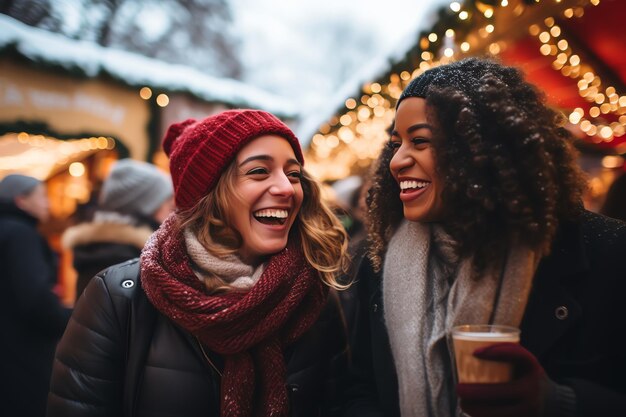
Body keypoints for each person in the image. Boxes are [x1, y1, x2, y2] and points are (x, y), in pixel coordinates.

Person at [341, 58, 626, 417]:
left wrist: (557, 402)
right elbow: (359, 387)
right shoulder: (378, 264)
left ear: (481, 148)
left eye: (420, 141)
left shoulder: (608, 253)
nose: (396, 161)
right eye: (396, 143)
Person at [47, 109, 350, 417]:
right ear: (208, 193)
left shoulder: (313, 292)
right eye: (259, 171)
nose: (286, 188)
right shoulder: (119, 296)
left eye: (294, 174)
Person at [0, 174, 72, 417]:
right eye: (41, 196)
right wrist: (68, 318)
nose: (48, 203)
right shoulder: (21, 235)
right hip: (22, 350)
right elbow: (35, 299)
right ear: (21, 200)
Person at [62, 158, 175, 301]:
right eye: (167, 205)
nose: (170, 214)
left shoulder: (96, 247)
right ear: (146, 208)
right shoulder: (132, 260)